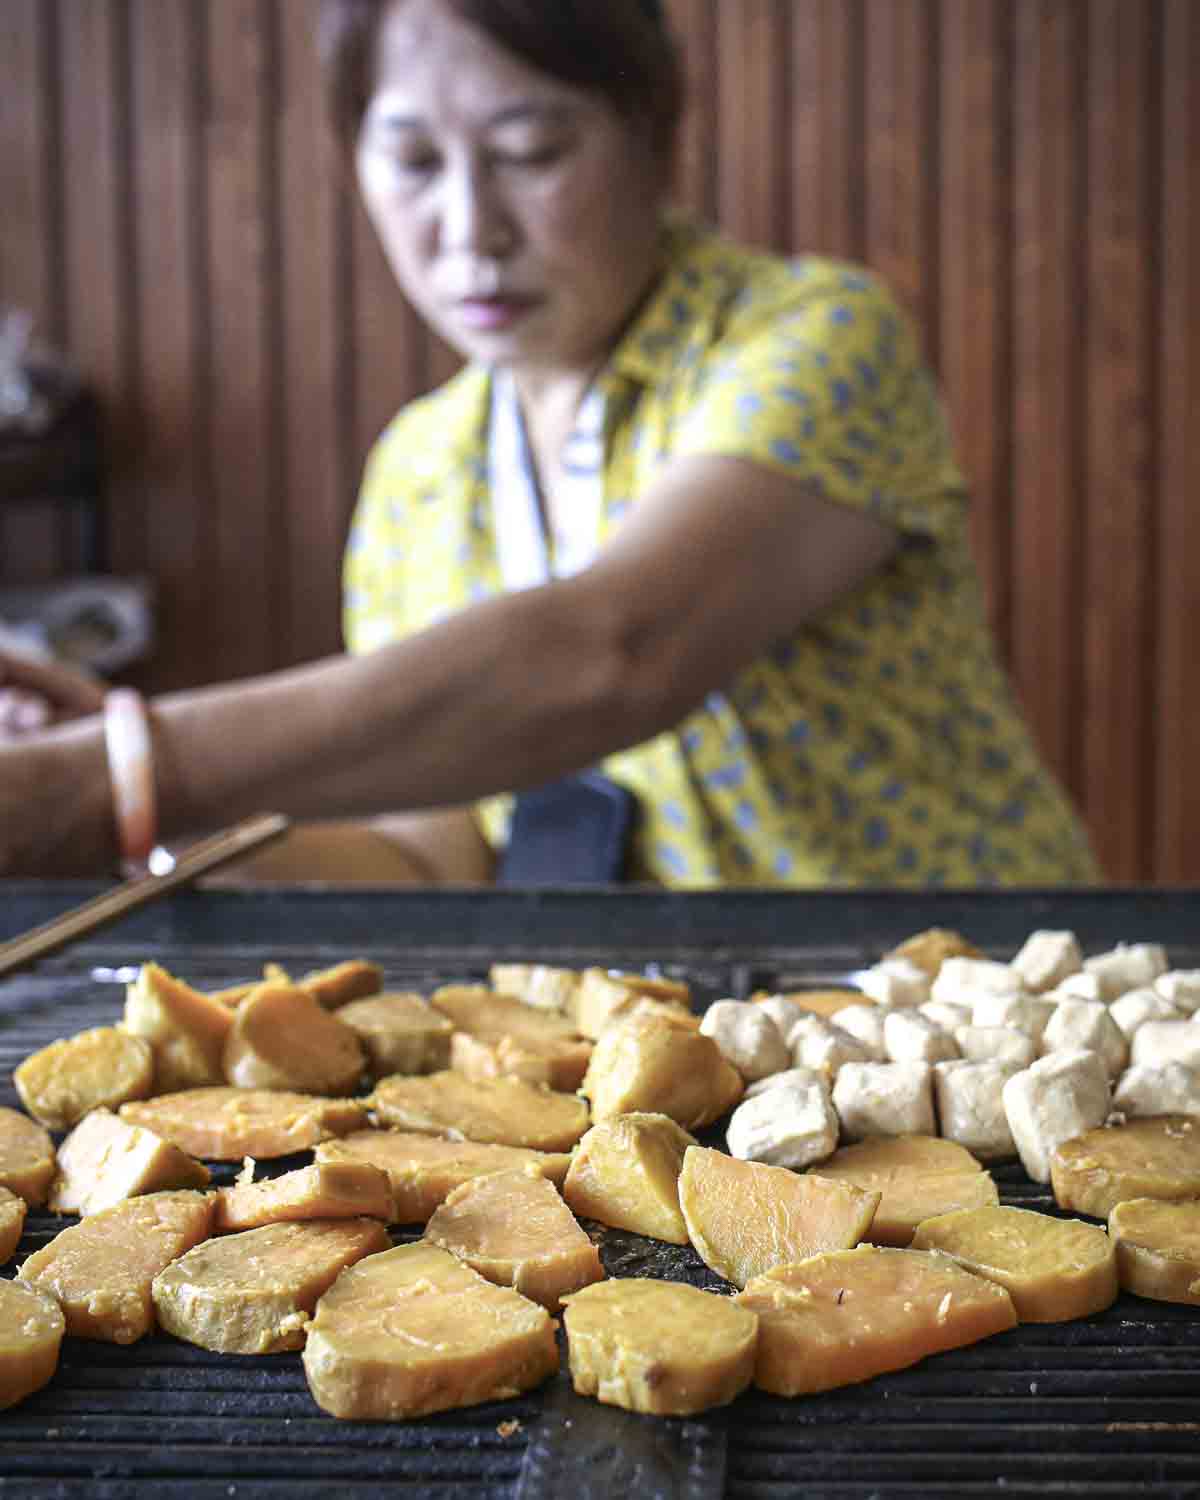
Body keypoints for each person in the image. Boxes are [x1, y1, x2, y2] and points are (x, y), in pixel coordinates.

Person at [0, 0, 1099, 887]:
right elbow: (429, 858)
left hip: (957, 1010)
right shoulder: (420, 471)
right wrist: (149, 810)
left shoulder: (807, 340)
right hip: (677, 1068)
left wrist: (119, 767)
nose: (471, 231)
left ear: (655, 136)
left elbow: (612, 653)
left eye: (529, 151)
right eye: (415, 162)